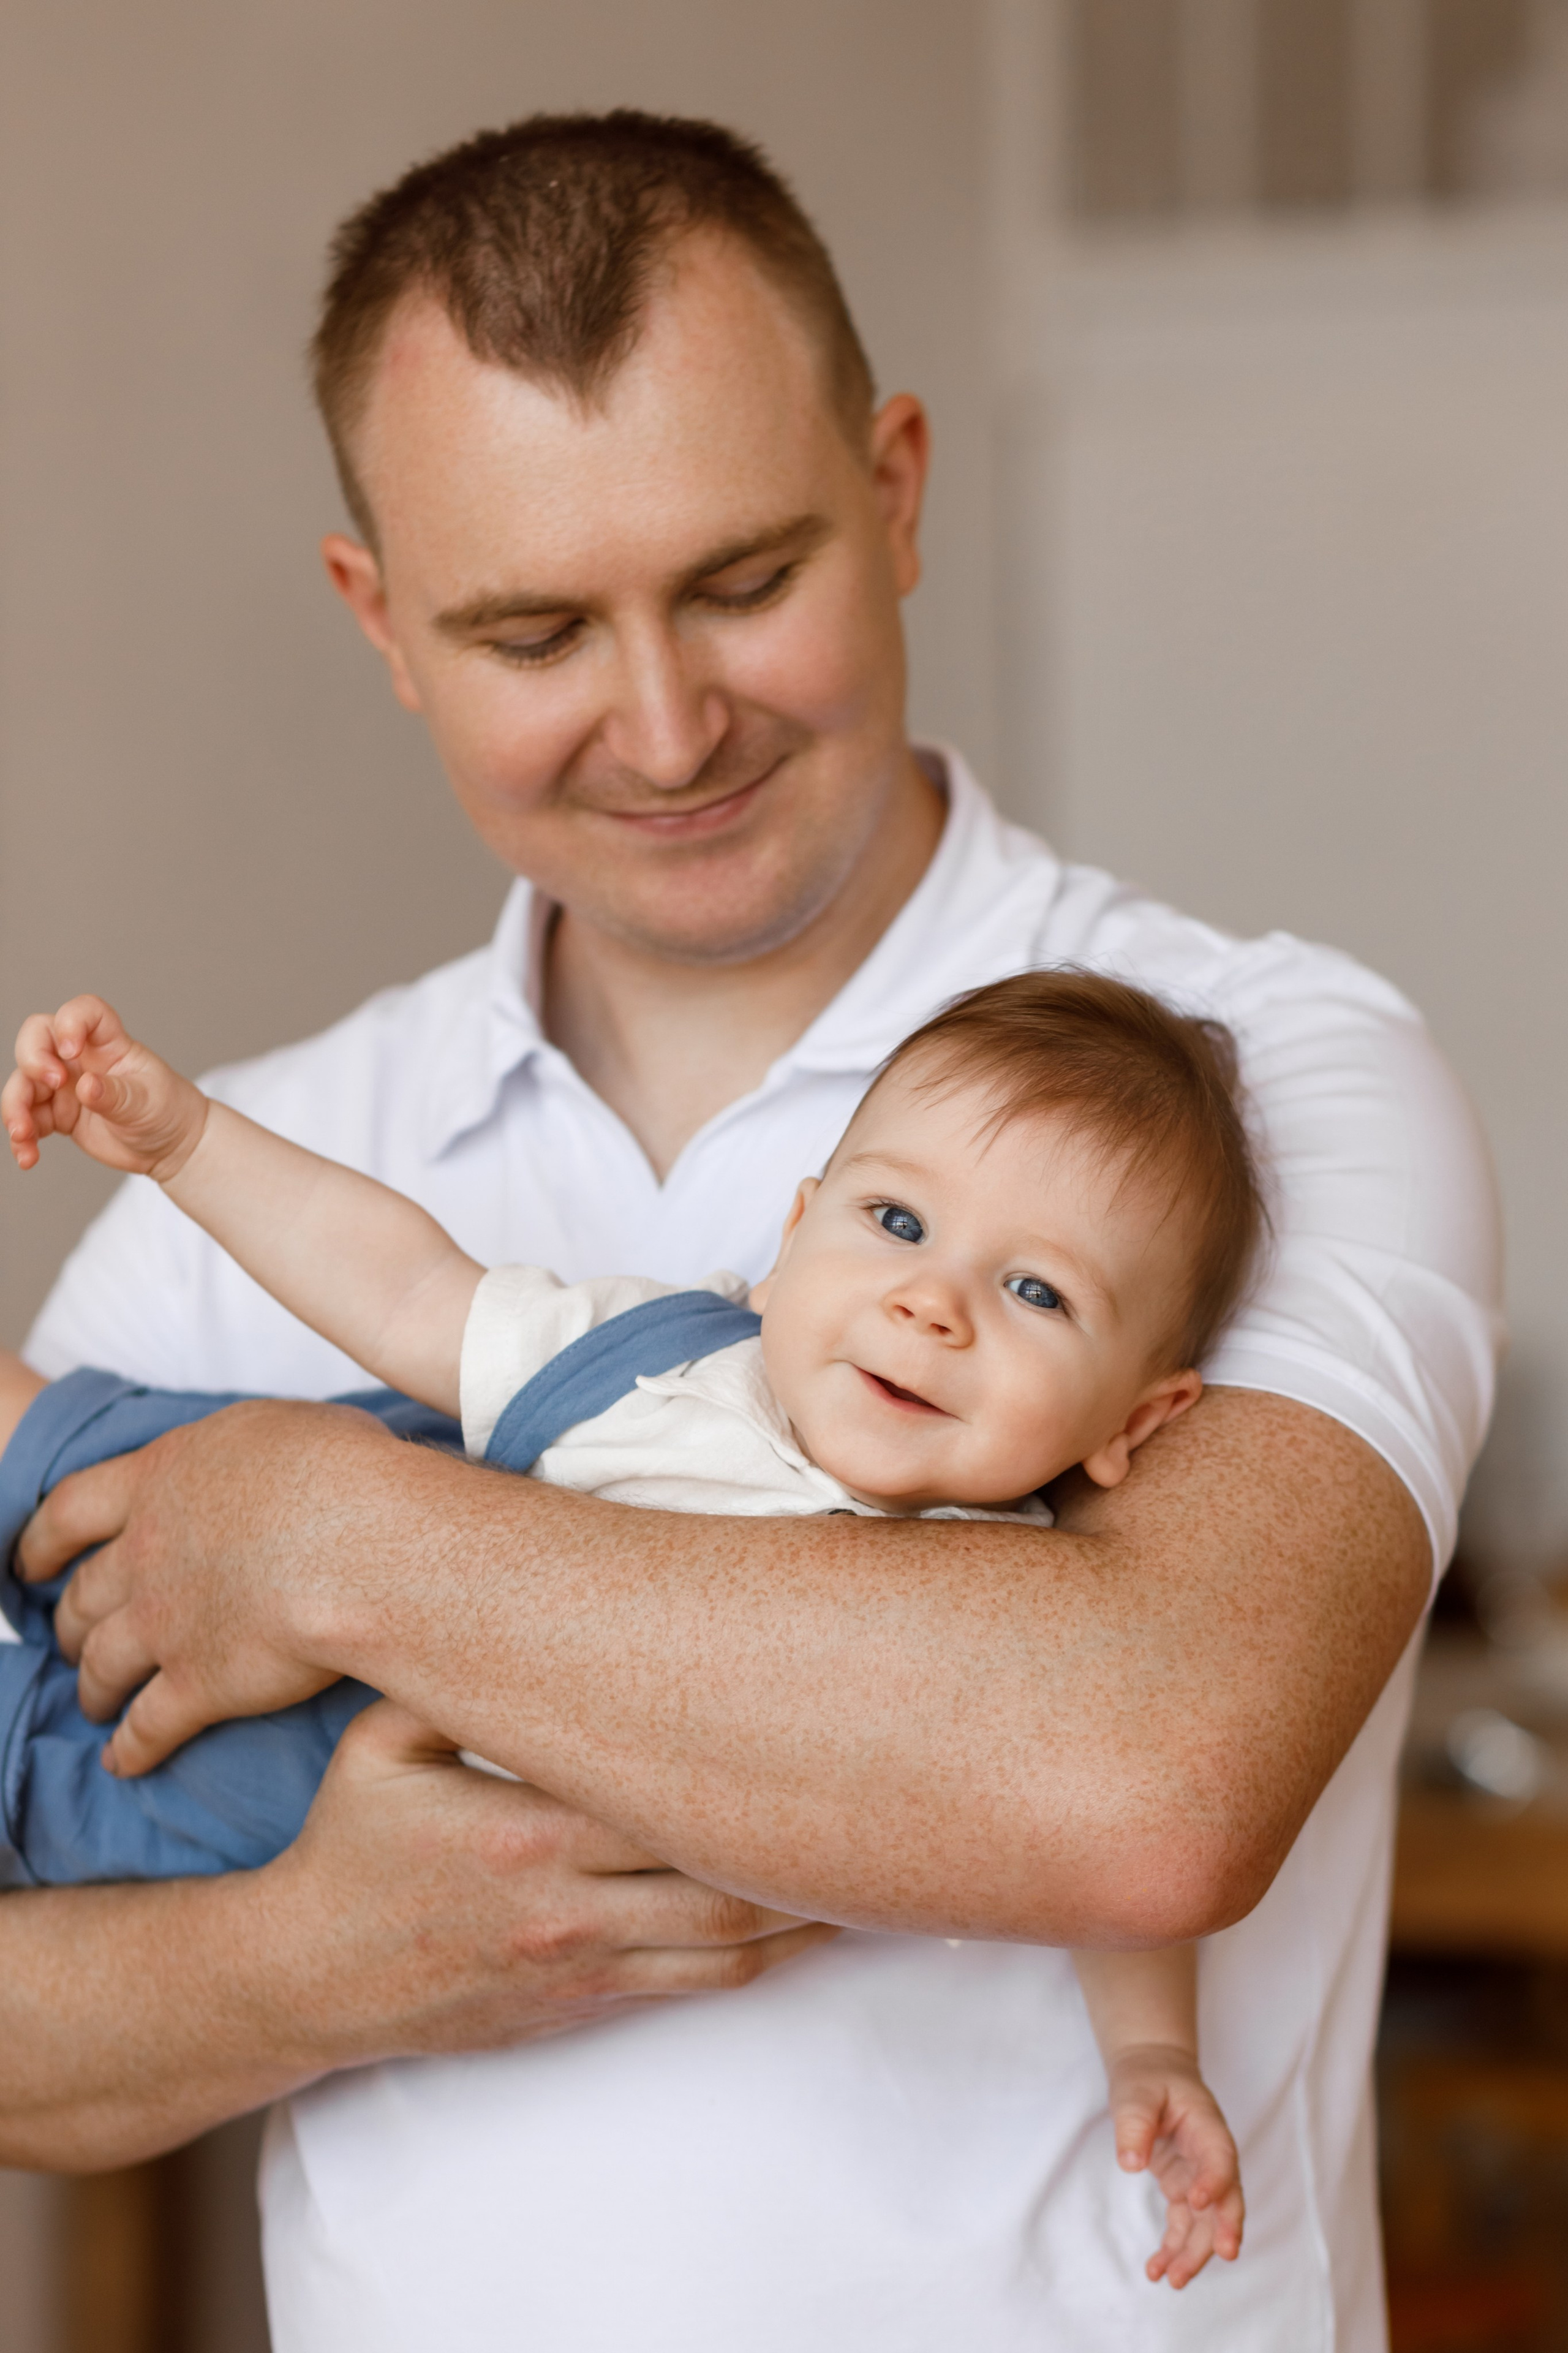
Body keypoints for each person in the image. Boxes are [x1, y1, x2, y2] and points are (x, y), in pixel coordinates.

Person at [0, 111, 1498, 2352]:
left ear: (894, 492)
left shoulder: (1261, 1087)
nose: (670, 722)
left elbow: (1147, 1779)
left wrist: (327, 1535)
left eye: (740, 581)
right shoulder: (249, 1178)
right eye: (533, 628)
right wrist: (322, 1957)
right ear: (380, 622)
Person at [3, 968, 1261, 2284]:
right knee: (70, 1450)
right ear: (792, 1241)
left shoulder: (1023, 1608)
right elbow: (405, 1287)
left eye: (1036, 1293)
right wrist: (190, 1142)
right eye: (894, 1220)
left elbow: (1095, 1855)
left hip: (279, 1799)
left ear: (1134, 1420)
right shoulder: (656, 1362)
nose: (931, 1302)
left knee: (62, 1798)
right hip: (199, 1537)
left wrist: (1152, 2053)